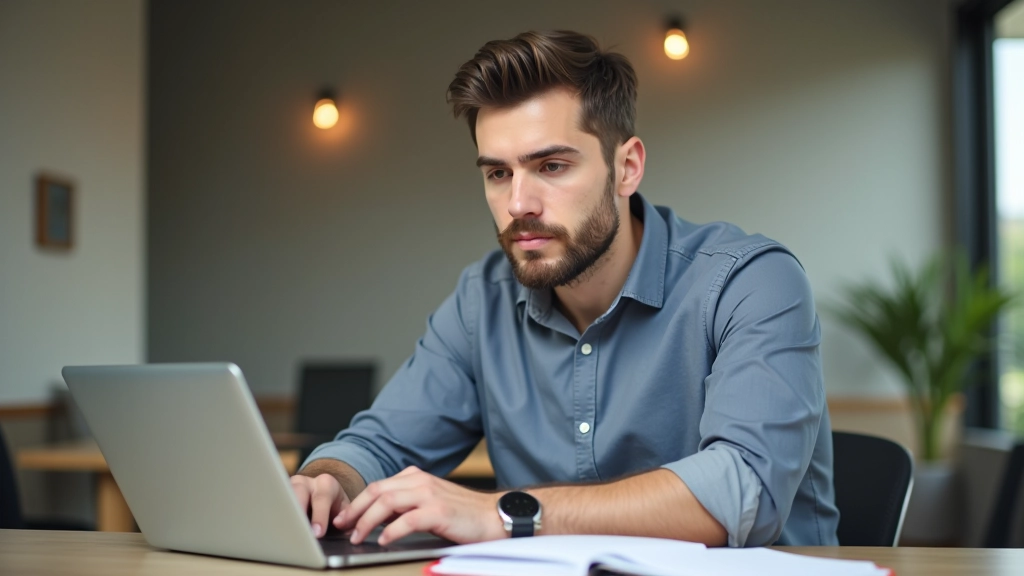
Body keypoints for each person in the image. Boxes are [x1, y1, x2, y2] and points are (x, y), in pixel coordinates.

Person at [290, 30, 839, 548]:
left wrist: (501, 514)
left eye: (550, 165)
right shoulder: (483, 301)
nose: (519, 204)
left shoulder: (751, 282)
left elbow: (744, 487)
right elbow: (378, 446)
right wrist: (326, 480)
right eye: (498, 174)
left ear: (626, 168)